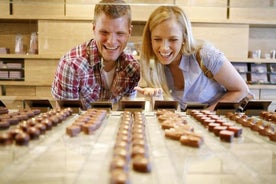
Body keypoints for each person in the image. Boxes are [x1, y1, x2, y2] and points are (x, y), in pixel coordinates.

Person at [135, 6, 251, 111]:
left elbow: (241, 90)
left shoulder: (206, 55)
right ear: (150, 39)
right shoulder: (151, 64)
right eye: (157, 39)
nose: (164, 48)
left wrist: (206, 115)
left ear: (184, 38)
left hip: (218, 122)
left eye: (173, 39)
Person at [51, 0, 140, 109]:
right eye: (104, 32)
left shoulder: (132, 68)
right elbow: (65, 117)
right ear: (94, 28)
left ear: (129, 32)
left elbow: (128, 112)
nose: (111, 41)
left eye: (120, 33)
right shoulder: (71, 65)